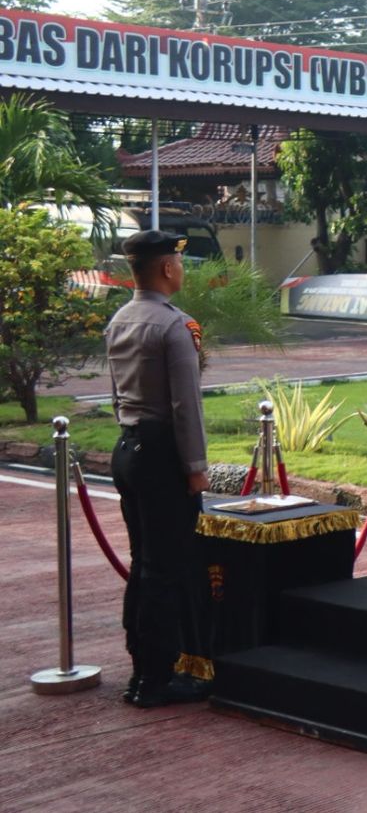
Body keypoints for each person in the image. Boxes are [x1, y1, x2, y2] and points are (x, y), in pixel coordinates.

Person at [105, 230, 210, 709]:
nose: (182, 270)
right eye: (179, 263)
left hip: (128, 448)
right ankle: (157, 677)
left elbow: (116, 395)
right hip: (164, 453)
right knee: (166, 566)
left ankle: (141, 666)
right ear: (168, 268)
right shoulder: (174, 326)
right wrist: (195, 467)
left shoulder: (121, 319)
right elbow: (185, 405)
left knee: (144, 561)